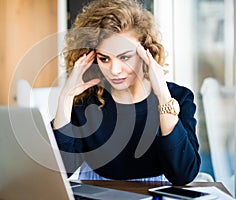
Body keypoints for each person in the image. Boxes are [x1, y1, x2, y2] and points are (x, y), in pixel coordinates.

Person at [52, 0, 200, 185]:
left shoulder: (178, 97)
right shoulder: (86, 102)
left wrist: (163, 97)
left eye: (125, 57)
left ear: (146, 52)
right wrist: (65, 99)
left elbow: (183, 174)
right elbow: (60, 172)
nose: (114, 70)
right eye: (104, 58)